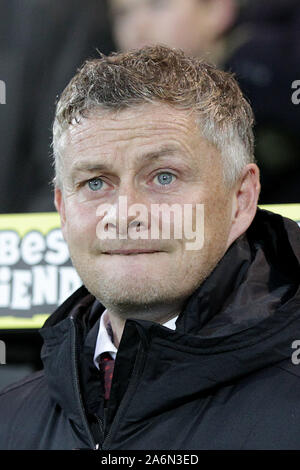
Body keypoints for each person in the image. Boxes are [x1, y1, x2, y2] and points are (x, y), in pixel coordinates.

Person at [0, 45, 299, 450]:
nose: (124, 214)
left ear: (241, 198)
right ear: (63, 210)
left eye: (163, 177)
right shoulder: (9, 420)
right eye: (95, 182)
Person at [108, 0, 300, 203]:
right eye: (123, 14)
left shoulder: (270, 70)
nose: (138, 27)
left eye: (158, 5)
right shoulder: (125, 100)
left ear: (217, 10)